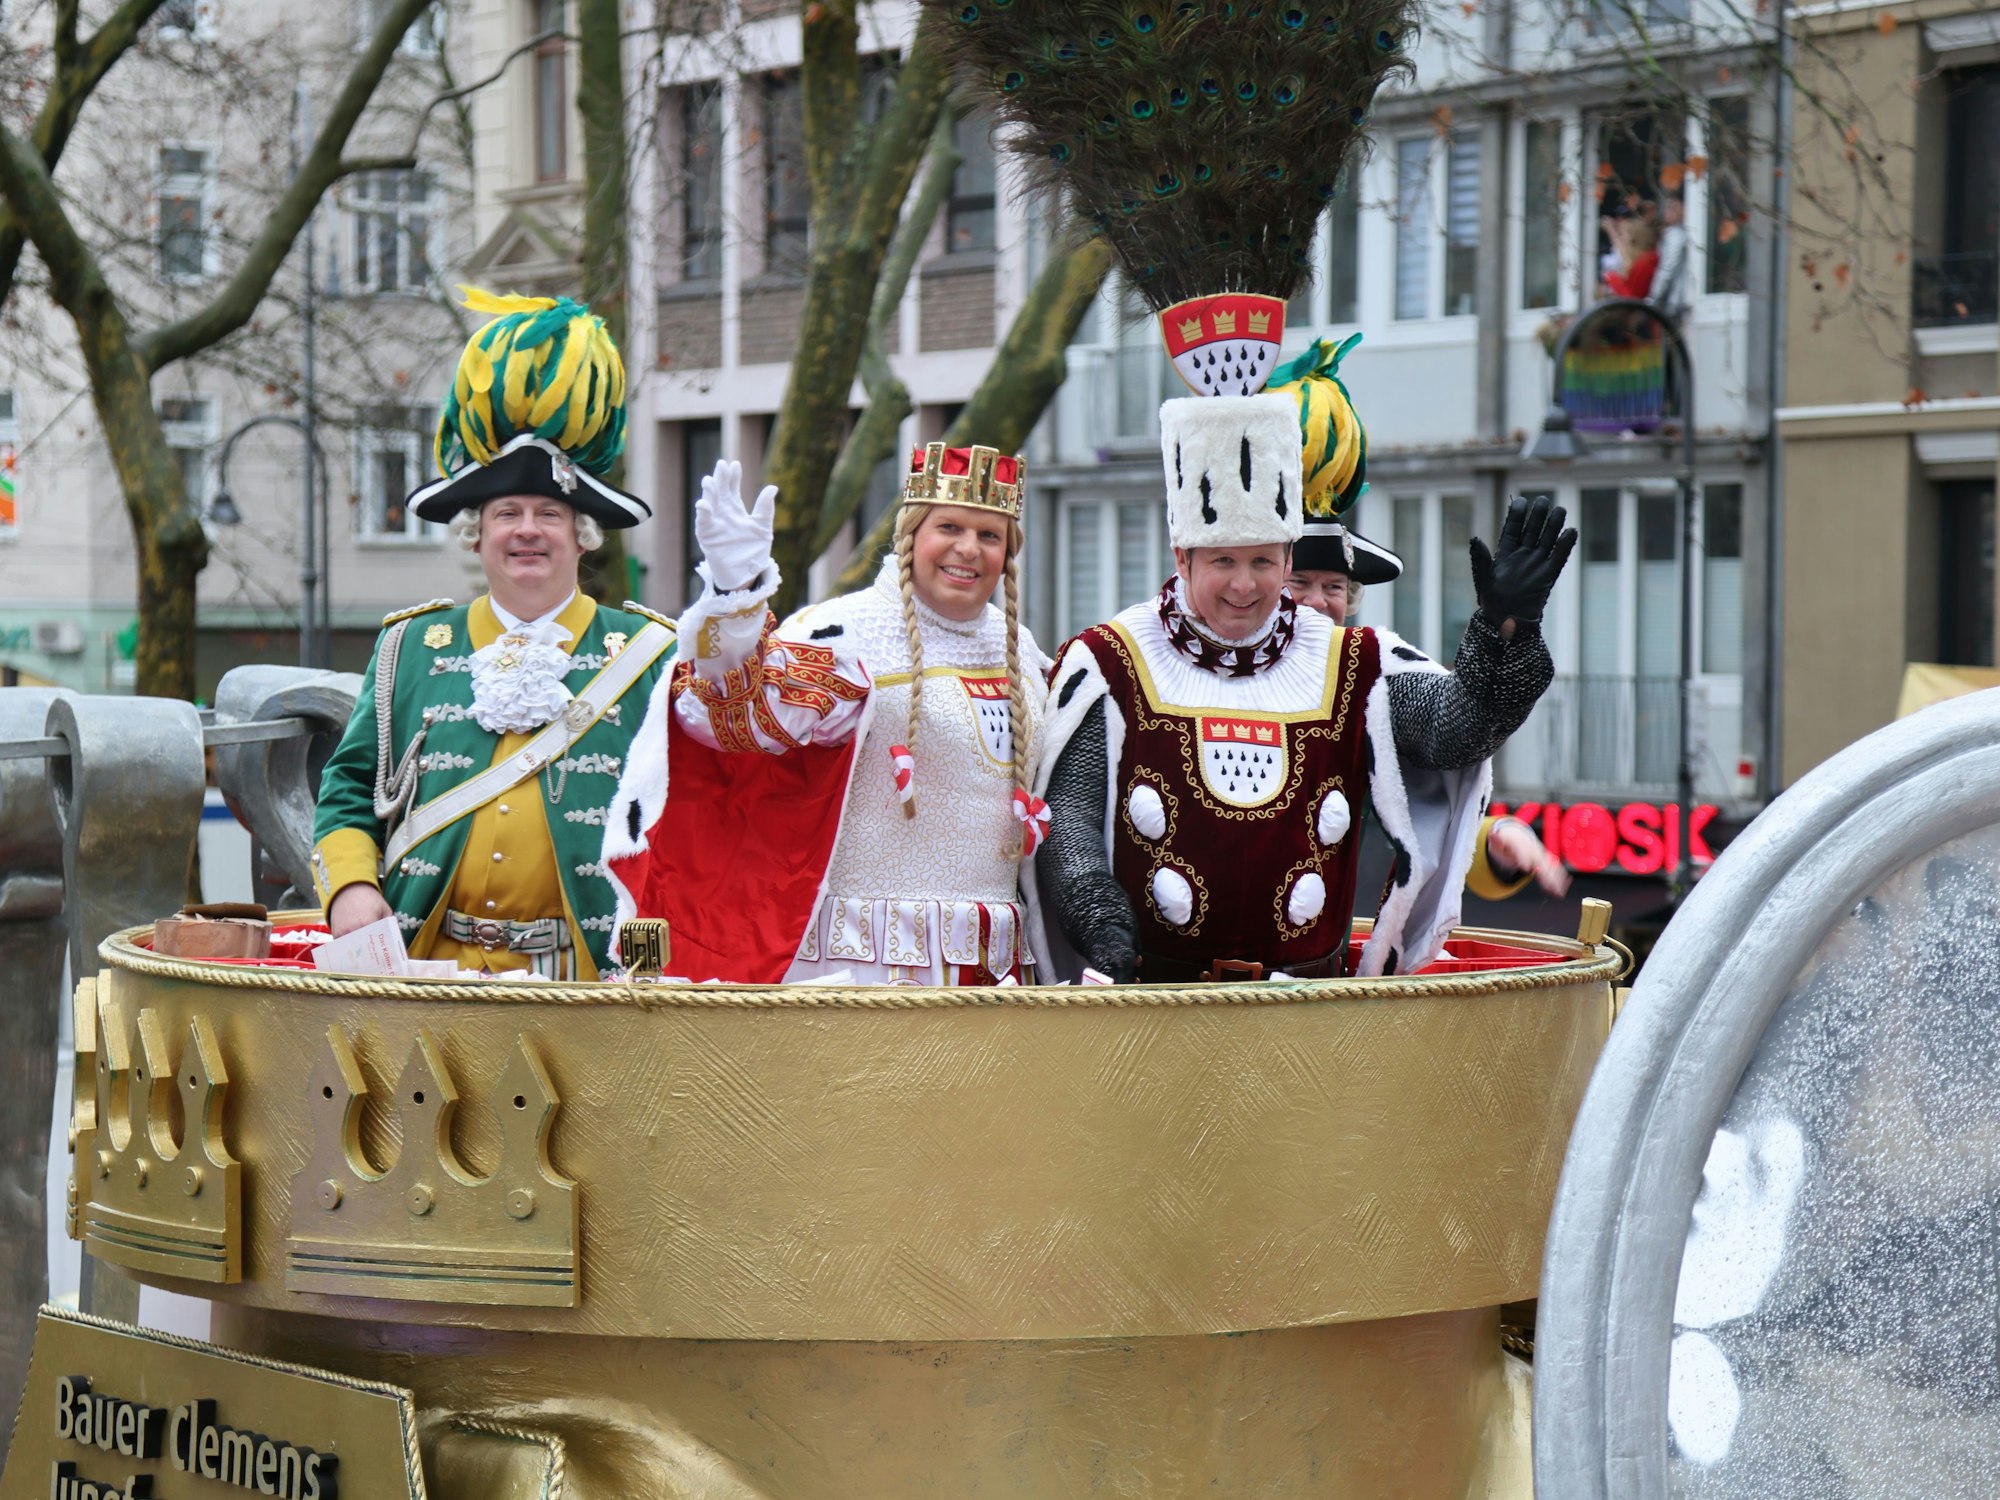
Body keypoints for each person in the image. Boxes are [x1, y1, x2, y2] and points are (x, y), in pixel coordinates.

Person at [1033, 371, 1575, 982]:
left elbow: (1462, 731)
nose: (1245, 585)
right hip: (1152, 1008)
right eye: (1223, 562)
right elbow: (1066, 819)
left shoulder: (1355, 661)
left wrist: (1505, 630)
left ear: (1288, 557)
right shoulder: (1110, 660)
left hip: (1309, 1019)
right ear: (1181, 557)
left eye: (1263, 561)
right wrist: (1097, 916)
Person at [311, 288, 675, 980]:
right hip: (429, 968)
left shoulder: (647, 655)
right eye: (507, 513)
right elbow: (349, 790)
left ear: (582, 537)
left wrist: (649, 981)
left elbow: (682, 833)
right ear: (477, 537)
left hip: (587, 980)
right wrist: (351, 889)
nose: (528, 530)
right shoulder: (410, 649)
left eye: (549, 513)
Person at [603, 443, 1051, 986]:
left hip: (996, 967)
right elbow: (734, 715)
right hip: (861, 966)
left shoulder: (1021, 649)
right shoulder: (847, 630)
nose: (969, 549)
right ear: (910, 534)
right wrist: (735, 597)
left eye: (990, 536)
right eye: (949, 527)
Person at [1287, 516, 1570, 903]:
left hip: (1339, 940)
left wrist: (1505, 629)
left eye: (1333, 586)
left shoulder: (1371, 674)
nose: (1318, 601)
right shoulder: (1185, 670)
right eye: (1298, 582)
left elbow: (1455, 728)